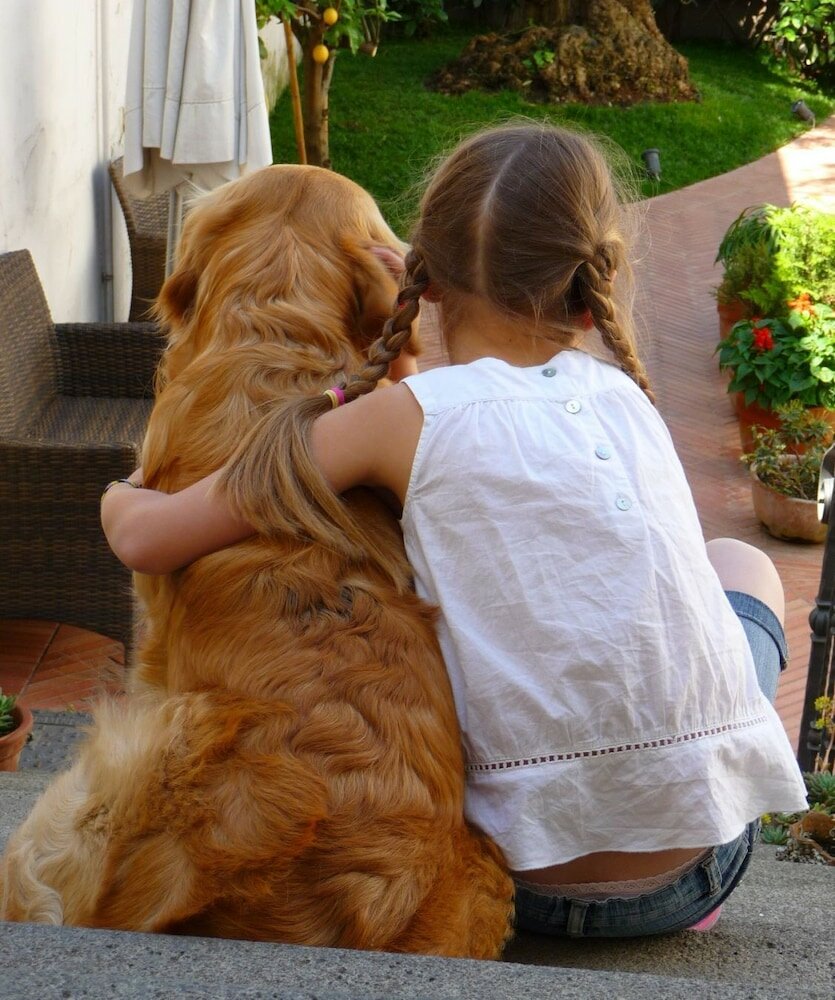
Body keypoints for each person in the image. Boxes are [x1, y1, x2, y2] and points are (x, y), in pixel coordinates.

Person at [101, 121, 808, 938]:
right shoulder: (630, 401)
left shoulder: (391, 421)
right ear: (591, 289)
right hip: (696, 872)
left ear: (420, 277)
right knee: (738, 563)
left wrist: (125, 487)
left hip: (521, 879)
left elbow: (146, 540)